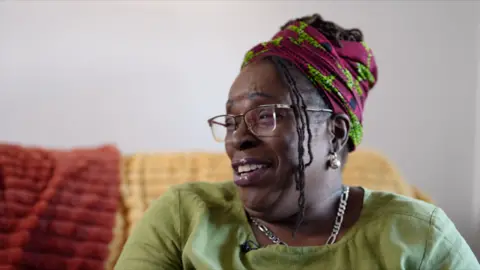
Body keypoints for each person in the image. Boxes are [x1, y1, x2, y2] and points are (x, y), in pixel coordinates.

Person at [115, 14, 479, 269]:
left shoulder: (419, 236)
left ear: (335, 133)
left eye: (264, 115)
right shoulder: (183, 218)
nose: (238, 139)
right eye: (231, 120)